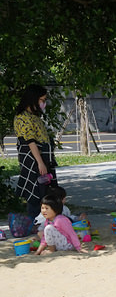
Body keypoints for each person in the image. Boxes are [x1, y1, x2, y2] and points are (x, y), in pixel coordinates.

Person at [14, 84, 56, 218]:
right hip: (34, 161)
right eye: (42, 100)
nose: (44, 103)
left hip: (43, 159)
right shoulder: (22, 117)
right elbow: (30, 142)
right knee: (35, 191)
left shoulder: (34, 117)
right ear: (33, 99)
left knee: (46, 191)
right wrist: (40, 162)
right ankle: (34, 223)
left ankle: (46, 222)